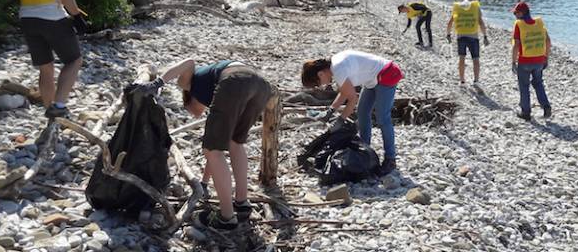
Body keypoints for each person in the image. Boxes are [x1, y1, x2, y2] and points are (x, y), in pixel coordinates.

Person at [140, 59, 277, 230]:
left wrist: (158, 83)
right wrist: (204, 183)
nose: (195, 115)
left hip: (235, 80)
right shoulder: (215, 91)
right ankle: (242, 204)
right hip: (260, 85)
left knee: (213, 150)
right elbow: (216, 152)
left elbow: (189, 62)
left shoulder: (188, 83)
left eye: (188, 109)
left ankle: (227, 217)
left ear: (189, 98)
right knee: (235, 143)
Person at [301, 50, 403, 176]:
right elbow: (344, 92)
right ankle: (366, 150)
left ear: (321, 74)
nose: (321, 86)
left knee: (383, 118)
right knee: (362, 113)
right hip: (373, 79)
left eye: (318, 83)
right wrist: (330, 111)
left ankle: (390, 159)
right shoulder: (335, 66)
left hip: (388, 73)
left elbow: (352, 98)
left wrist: (340, 120)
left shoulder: (338, 69)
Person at [510, 1, 552, 121]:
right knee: (538, 83)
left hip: (525, 61)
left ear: (522, 13)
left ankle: (526, 112)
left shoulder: (519, 25)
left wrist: (513, 62)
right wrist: (546, 57)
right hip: (539, 59)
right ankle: (546, 106)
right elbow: (548, 41)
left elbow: (516, 45)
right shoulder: (539, 23)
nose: (514, 15)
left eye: (515, 13)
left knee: (524, 85)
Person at [446, 0, 489, 85]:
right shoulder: (475, 7)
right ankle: (476, 80)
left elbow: (450, 22)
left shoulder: (457, 7)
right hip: (473, 37)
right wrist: (485, 36)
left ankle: (462, 80)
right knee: (476, 59)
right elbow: (481, 23)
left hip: (461, 36)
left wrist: (448, 34)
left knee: (461, 58)